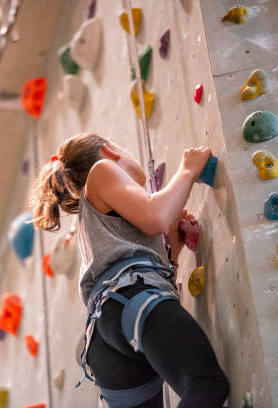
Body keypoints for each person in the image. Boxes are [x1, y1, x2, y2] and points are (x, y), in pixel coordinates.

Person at [31, 133, 229, 407]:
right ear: (110, 150)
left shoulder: (98, 229)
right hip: (130, 303)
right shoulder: (102, 171)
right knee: (205, 384)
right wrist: (188, 169)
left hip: (108, 340)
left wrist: (171, 252)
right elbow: (156, 216)